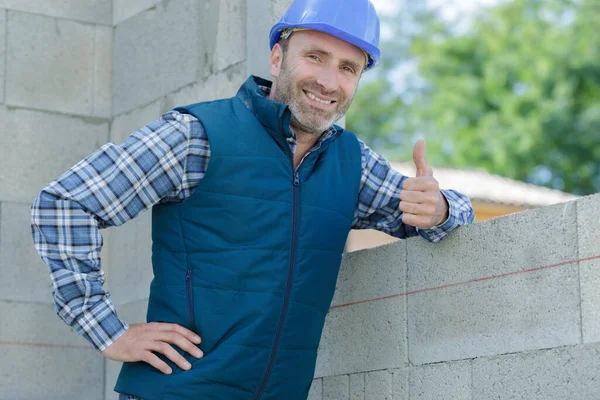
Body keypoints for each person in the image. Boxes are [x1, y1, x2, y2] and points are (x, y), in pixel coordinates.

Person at [31, 0, 474, 399]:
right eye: (315, 57)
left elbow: (439, 214)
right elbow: (66, 203)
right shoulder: (197, 136)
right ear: (278, 56)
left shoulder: (351, 164)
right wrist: (107, 330)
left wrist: (440, 209)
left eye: (347, 67)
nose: (327, 80)